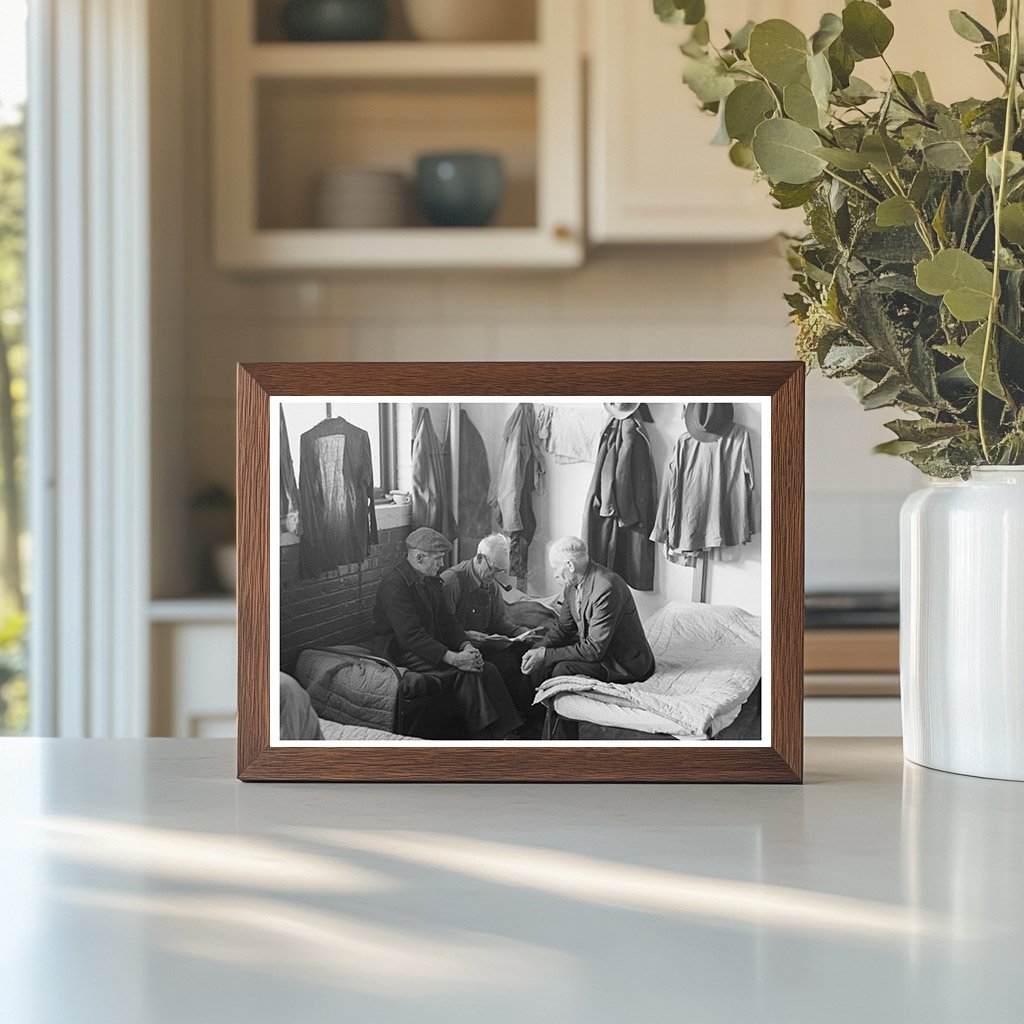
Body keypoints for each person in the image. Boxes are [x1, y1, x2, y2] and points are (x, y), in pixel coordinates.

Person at [370, 527, 522, 740]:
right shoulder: (395, 585)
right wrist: (454, 658)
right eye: (438, 559)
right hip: (400, 650)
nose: (442, 564)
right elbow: (410, 635)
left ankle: (507, 732)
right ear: (419, 557)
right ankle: (485, 740)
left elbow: (448, 621)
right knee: (466, 672)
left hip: (427, 647)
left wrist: (466, 646)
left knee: (486, 667)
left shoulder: (431, 580)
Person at [521, 536, 655, 685]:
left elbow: (594, 649)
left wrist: (545, 655)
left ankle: (546, 708)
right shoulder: (571, 585)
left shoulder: (606, 588)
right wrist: (540, 648)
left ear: (570, 566)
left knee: (561, 669)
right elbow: (563, 628)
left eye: (555, 568)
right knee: (536, 656)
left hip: (623, 661)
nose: (555, 574)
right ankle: (530, 707)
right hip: (600, 650)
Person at [441, 534, 542, 726]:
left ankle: (532, 719)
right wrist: (465, 637)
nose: (495, 577)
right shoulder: (451, 581)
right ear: (479, 558)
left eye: (500, 572)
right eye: (493, 570)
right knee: (497, 667)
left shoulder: (491, 584)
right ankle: (510, 726)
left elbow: (500, 622)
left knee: (525, 654)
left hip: (485, 645)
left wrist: (522, 634)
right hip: (459, 649)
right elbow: (441, 626)